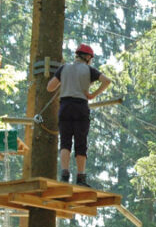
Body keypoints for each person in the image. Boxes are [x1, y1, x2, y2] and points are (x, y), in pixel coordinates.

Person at [47, 43, 112, 187]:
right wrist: (93, 95)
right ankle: (81, 178)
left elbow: (50, 87)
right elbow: (107, 81)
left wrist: (65, 84)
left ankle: (64, 175)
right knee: (80, 143)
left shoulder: (64, 68)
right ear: (88, 57)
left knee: (65, 142)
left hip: (64, 106)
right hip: (80, 107)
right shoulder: (89, 69)